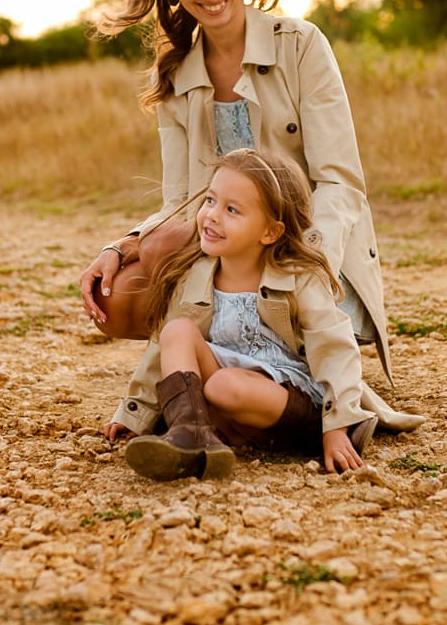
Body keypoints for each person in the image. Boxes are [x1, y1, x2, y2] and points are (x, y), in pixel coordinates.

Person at [79, 0, 424, 443]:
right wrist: (121, 247)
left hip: (305, 247)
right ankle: (204, 379)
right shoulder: (175, 76)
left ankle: (304, 387)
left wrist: (310, 262)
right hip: (230, 246)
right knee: (135, 278)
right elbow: (183, 203)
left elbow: (341, 181)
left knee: (254, 280)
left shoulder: (301, 44)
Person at [123, 148, 379, 480]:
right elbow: (160, 350)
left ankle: (308, 434)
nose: (212, 216)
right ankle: (192, 433)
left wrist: (336, 426)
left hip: (285, 397)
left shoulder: (298, 277)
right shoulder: (196, 274)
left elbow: (335, 349)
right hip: (227, 391)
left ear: (270, 232)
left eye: (232, 210)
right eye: (211, 201)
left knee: (223, 386)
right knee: (177, 332)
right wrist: (133, 414)